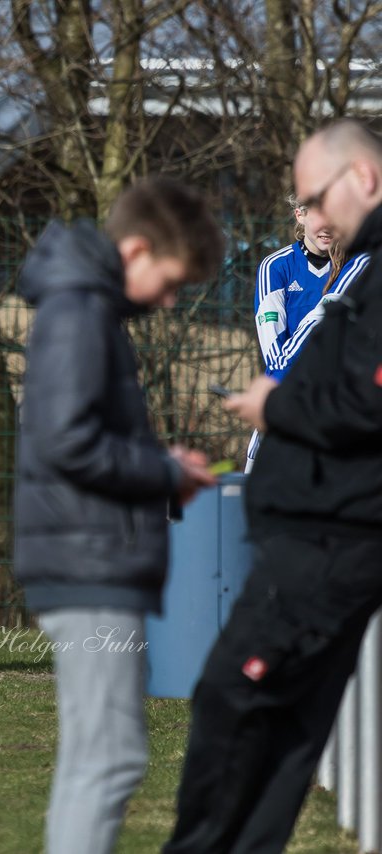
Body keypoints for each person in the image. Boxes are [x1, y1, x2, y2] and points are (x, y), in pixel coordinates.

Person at [164, 119, 382, 852]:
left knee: (240, 696)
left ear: (364, 181)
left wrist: (282, 399)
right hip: (295, 473)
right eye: (303, 206)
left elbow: (351, 391)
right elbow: (278, 350)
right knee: (276, 711)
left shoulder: (365, 271)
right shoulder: (277, 271)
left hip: (334, 521)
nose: (317, 218)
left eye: (320, 197)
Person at [13, 175, 224, 854]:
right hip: (87, 562)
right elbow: (66, 439)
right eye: (169, 282)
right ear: (135, 249)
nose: (168, 301)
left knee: (96, 758)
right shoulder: (79, 311)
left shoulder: (85, 308)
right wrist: (163, 472)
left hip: (87, 555)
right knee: (110, 759)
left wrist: (162, 465)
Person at [244, 195, 370, 471]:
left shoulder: (355, 266)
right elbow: (274, 352)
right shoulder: (276, 267)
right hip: (290, 385)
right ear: (300, 215)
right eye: (318, 216)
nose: (327, 226)